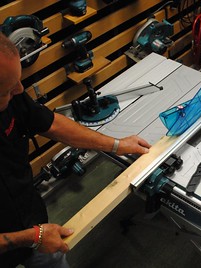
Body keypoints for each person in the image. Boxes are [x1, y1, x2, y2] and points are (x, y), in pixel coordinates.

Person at [0, 33, 151, 267]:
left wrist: (117, 145)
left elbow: (51, 123)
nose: (19, 90)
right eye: (7, 90)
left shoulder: (13, 92)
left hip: (31, 220)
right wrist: (30, 238)